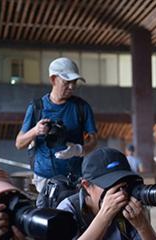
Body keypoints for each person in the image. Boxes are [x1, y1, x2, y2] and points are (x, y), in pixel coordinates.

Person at [15, 57, 98, 193]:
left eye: (74, 82)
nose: (72, 87)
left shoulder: (81, 107)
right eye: (67, 82)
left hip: (74, 180)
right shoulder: (37, 108)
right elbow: (19, 144)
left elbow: (94, 141)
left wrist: (78, 150)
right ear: (53, 79)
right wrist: (35, 130)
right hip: (43, 180)